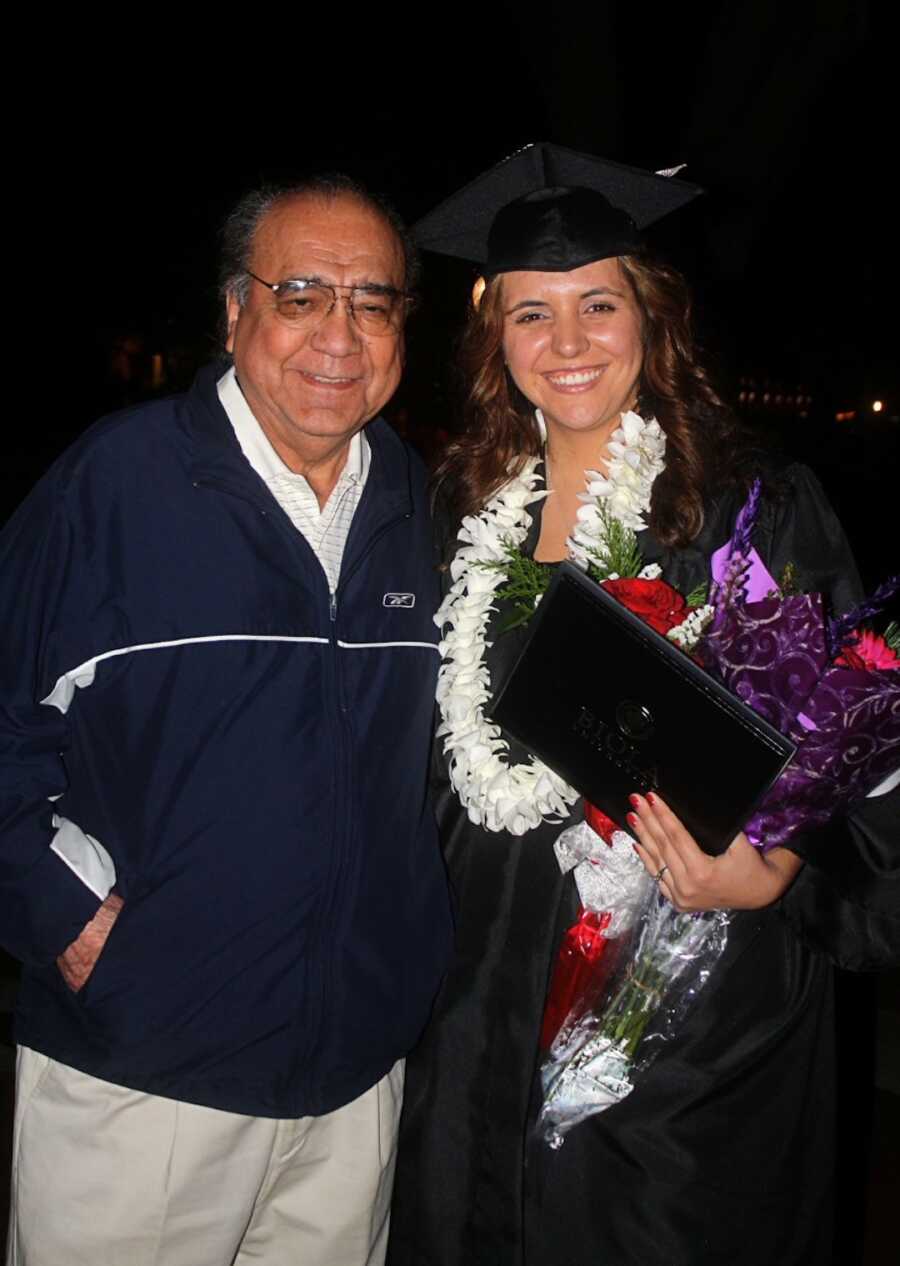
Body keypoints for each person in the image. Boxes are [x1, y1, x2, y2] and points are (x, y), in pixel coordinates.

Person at [387, 144, 899, 1266]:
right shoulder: (457, 512)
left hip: (683, 1014)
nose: (567, 345)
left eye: (598, 305)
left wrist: (776, 863)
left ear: (651, 318)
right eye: (532, 314)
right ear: (494, 336)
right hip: (477, 999)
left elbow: (860, 742)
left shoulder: (751, 509)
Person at [0, 174, 452, 1266]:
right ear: (234, 311)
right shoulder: (117, 485)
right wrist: (61, 912)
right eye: (300, 295)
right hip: (144, 1074)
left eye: (373, 301)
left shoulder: (426, 510)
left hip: (355, 1082)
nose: (339, 334)